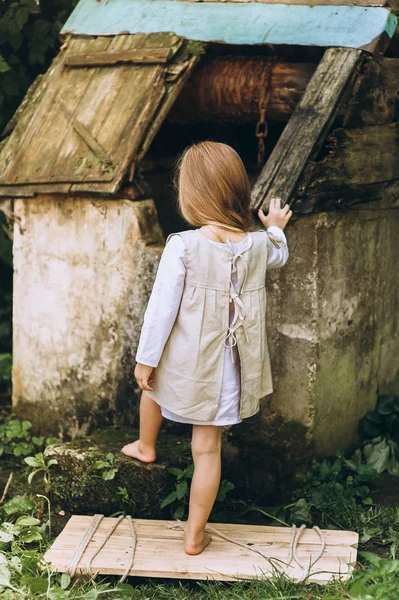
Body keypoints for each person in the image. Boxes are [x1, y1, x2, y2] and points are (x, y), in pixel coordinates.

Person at [121, 141, 292, 555]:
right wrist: (275, 227)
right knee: (206, 449)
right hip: (228, 370)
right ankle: (194, 536)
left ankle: (146, 446)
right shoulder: (256, 245)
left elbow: (160, 311)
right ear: (238, 192)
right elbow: (279, 255)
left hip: (183, 362)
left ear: (190, 194)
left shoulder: (183, 245)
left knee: (152, 386)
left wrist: (146, 358)